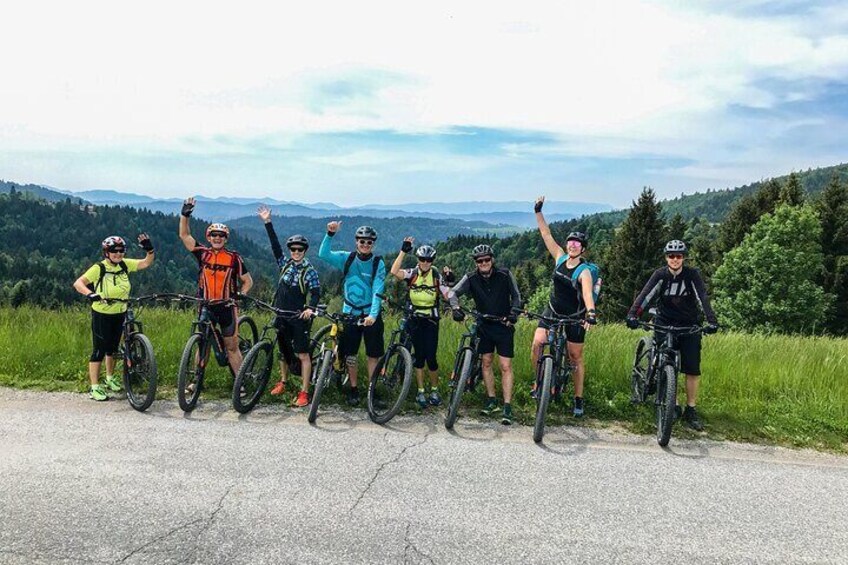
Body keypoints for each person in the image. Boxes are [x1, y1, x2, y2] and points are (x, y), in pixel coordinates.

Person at [626, 240, 719, 431]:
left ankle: (691, 410)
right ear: (666, 257)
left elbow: (702, 297)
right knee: (668, 365)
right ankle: (673, 405)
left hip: (689, 326)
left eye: (678, 256)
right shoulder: (660, 274)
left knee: (692, 369)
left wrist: (711, 320)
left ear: (683, 257)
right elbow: (646, 295)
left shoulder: (692, 275)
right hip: (664, 323)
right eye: (671, 256)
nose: (675, 259)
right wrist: (633, 314)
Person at [531, 196, 598, 417]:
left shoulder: (584, 271)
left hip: (576, 316)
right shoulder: (560, 258)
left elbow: (587, 293)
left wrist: (590, 313)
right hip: (553, 309)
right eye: (570, 241)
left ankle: (578, 399)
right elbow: (546, 234)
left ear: (583, 249)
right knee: (537, 343)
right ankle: (539, 381)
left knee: (575, 357)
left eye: (577, 243)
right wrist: (538, 211)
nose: (572, 245)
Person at [73, 234, 155, 401]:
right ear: (106, 252)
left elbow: (146, 262)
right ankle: (94, 387)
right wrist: (91, 294)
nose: (118, 254)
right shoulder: (99, 268)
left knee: (113, 348)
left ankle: (110, 378)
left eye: (121, 251)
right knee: (99, 350)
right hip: (102, 313)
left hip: (120, 312)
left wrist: (149, 249)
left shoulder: (124, 265)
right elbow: (78, 283)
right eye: (114, 251)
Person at [447, 244, 522, 425]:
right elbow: (453, 293)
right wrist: (455, 308)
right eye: (480, 261)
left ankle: (507, 406)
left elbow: (517, 296)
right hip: (484, 325)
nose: (484, 263)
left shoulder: (505, 274)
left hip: (503, 325)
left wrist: (514, 314)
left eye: (487, 259)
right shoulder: (471, 278)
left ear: (492, 259)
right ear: (476, 263)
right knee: (486, 362)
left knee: (505, 366)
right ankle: (491, 400)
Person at [178, 197, 253, 378]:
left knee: (231, 348)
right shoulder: (203, 254)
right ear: (209, 238)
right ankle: (196, 380)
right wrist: (185, 214)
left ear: (225, 239)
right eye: (214, 235)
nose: (217, 238)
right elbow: (184, 236)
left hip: (227, 307)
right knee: (202, 343)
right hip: (206, 305)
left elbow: (248, 281)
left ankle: (240, 382)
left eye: (221, 236)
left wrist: (242, 294)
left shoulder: (234, 258)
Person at [257, 205, 320, 407]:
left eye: (299, 250)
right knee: (283, 351)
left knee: (303, 354)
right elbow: (275, 246)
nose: (296, 252)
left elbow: (316, 291)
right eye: (293, 249)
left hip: (298, 317)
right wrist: (268, 222)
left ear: (305, 251)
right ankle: (283, 381)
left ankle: (304, 392)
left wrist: (310, 308)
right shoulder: (285, 264)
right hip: (281, 314)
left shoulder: (309, 271)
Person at [318, 221, 386, 406]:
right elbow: (323, 254)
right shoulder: (346, 258)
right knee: (350, 355)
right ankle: (354, 389)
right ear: (356, 242)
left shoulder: (378, 263)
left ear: (373, 244)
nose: (365, 245)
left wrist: (372, 316)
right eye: (362, 241)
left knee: (374, 355)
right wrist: (329, 234)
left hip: (370, 314)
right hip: (350, 313)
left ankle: (372, 391)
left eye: (369, 242)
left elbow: (377, 291)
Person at [389, 238, 450, 408]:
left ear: (432, 261)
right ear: (418, 260)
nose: (425, 262)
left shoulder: (436, 275)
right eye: (422, 259)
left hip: (430, 320)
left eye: (429, 260)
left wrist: (455, 304)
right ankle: (421, 391)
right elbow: (394, 272)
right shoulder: (413, 273)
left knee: (431, 358)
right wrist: (403, 251)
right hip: (413, 319)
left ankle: (435, 390)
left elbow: (448, 294)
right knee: (419, 358)